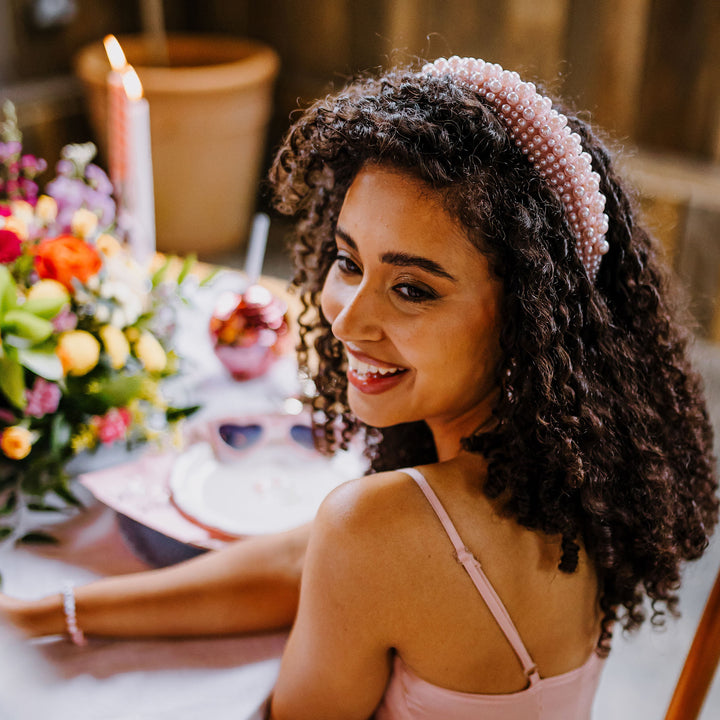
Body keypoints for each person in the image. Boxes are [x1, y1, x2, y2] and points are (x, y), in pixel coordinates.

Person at [1, 56, 717, 719]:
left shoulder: (381, 531)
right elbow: (301, 559)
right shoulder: (574, 473)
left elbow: (340, 570)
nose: (345, 316)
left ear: (532, 318)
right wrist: (49, 613)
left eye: (411, 288)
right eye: (348, 260)